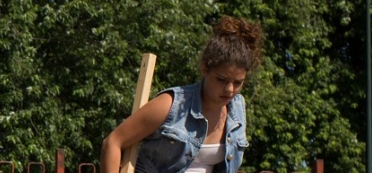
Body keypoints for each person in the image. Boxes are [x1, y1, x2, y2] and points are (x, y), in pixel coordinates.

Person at [102, 16, 263, 173]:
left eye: (238, 83)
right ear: (205, 69)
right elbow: (113, 142)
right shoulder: (171, 104)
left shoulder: (237, 108)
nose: (229, 89)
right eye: (221, 80)